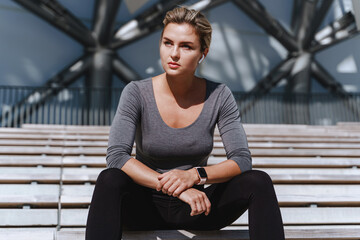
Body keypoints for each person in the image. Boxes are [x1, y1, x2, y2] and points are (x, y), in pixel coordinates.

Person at [85, 6, 285, 240]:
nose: (174, 54)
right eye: (168, 43)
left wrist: (194, 176)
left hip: (197, 208)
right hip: (144, 205)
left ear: (203, 53)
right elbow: (117, 156)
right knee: (110, 178)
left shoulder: (219, 95)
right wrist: (177, 189)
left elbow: (241, 159)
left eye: (186, 46)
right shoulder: (136, 93)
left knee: (258, 182)